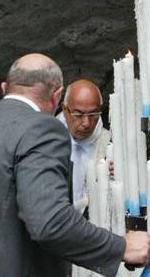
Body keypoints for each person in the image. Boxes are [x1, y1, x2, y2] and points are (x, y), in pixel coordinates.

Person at [0, 53, 150, 277]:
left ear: (5, 89)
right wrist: (121, 247)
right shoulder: (42, 129)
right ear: (57, 96)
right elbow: (49, 222)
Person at [60, 79, 111, 211]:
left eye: (93, 114)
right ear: (65, 110)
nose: (87, 123)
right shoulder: (47, 140)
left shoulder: (110, 143)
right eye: (78, 114)